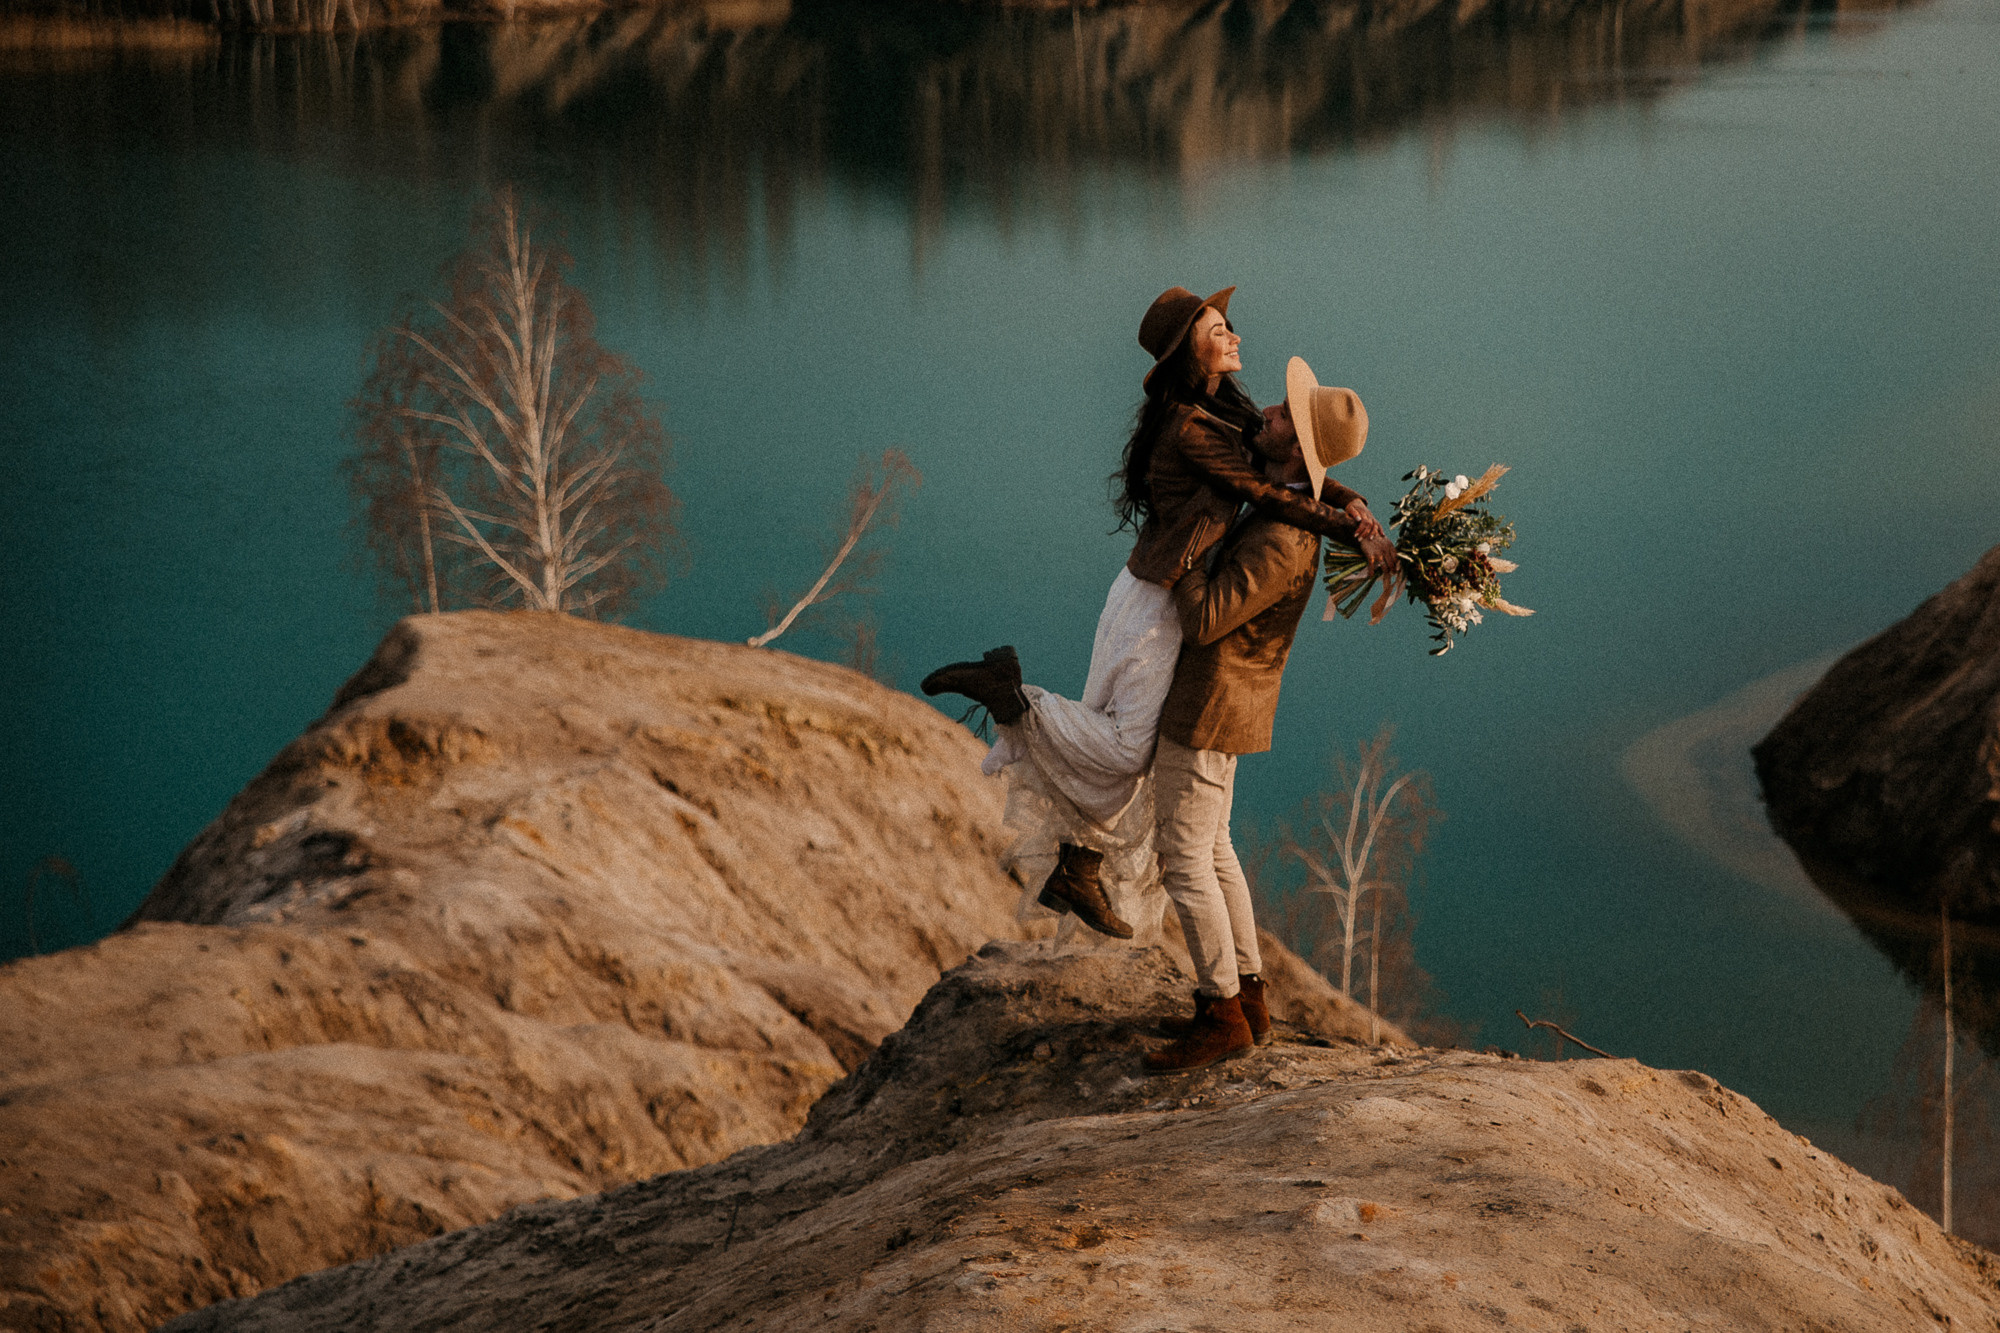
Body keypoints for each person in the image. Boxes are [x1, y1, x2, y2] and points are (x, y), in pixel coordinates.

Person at [922, 287, 1394, 942]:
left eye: (1227, 322)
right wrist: (1348, 527)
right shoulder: (1191, 429)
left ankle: (1077, 867)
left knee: (1112, 743)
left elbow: (1286, 464)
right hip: (1153, 603)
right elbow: (1265, 490)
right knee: (1124, 747)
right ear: (1186, 351)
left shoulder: (1221, 410)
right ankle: (1009, 693)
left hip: (1149, 595)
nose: (1232, 332)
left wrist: (1356, 506)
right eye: (1214, 327)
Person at [1143, 358, 1367, 1072]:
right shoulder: (1283, 509)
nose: (1264, 413)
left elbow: (1206, 619)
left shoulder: (1280, 538)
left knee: (1183, 859)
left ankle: (1220, 1014)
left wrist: (1185, 553)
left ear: (1295, 451)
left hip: (1208, 706)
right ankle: (1247, 993)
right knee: (1214, 849)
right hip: (1227, 705)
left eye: (1278, 416)